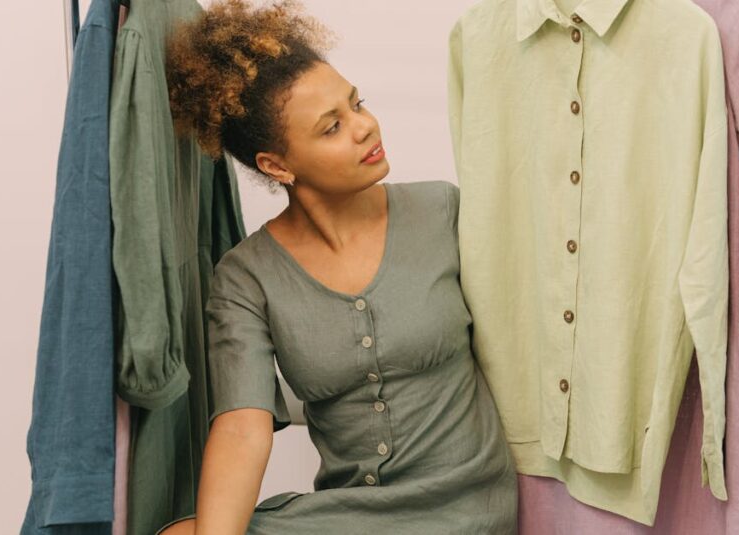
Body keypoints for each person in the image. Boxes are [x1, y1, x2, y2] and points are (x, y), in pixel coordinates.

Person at [157, 1, 517, 533]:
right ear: (276, 165)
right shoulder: (245, 276)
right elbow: (241, 428)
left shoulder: (444, 211)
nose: (365, 127)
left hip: (468, 506)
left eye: (357, 103)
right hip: (349, 515)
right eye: (331, 127)